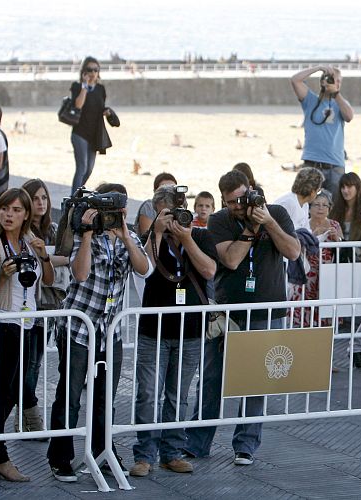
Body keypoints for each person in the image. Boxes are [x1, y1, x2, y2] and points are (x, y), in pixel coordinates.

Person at [184, 170, 299, 467]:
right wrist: (251, 227)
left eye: (241, 199)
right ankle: (197, 442)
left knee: (256, 381)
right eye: (231, 201)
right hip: (228, 311)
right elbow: (232, 260)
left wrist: (268, 222)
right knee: (212, 379)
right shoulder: (220, 220)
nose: (237, 205)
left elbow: (293, 251)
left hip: (267, 310)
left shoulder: (276, 213)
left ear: (251, 190)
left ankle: (246, 445)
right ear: (223, 200)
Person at [46, 183, 151, 482]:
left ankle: (103, 450)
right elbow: (80, 274)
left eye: (120, 210)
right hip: (79, 327)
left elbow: (144, 269)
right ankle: (60, 456)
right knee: (70, 395)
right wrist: (89, 232)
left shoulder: (128, 237)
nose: (115, 216)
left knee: (105, 397)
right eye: (110, 211)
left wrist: (126, 237)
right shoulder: (84, 235)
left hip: (110, 330)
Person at [129, 186, 217, 477]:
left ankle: (172, 453)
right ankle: (144, 455)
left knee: (178, 395)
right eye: (164, 214)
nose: (171, 219)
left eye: (175, 212)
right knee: (148, 394)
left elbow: (209, 271)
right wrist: (156, 233)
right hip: (153, 330)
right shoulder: (150, 238)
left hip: (190, 330)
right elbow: (145, 269)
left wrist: (187, 239)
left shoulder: (200, 236)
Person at [0, 188, 55, 482]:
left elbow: (48, 281)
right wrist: (1, 274)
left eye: (16, 210)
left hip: (25, 322)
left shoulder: (29, 241)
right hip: (2, 322)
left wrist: (44, 256)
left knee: (12, 390)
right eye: (4, 209)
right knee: (2, 390)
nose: (8, 215)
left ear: (26, 215)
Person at [18, 178, 71, 434]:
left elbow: (68, 256)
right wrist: (49, 258)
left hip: (50, 304)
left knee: (34, 363)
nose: (41, 203)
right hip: (26, 303)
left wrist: (46, 257)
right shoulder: (22, 230)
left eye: (44, 198)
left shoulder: (53, 229)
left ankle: (25, 418)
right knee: (25, 365)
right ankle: (31, 415)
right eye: (35, 198)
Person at [290, 66, 354, 197]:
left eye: (339, 81)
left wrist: (336, 94)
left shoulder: (341, 103)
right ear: (323, 81)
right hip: (311, 163)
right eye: (333, 80)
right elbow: (295, 80)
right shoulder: (310, 100)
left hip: (334, 165)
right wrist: (318, 68)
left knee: (333, 205)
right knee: (305, 203)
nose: (336, 84)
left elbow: (349, 117)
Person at [289, 191, 343, 327]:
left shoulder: (335, 225)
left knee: (326, 297)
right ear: (310, 207)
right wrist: (313, 235)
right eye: (317, 204)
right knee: (305, 298)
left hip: (328, 270)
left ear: (329, 208)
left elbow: (344, 248)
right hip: (308, 269)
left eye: (325, 205)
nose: (321, 208)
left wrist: (336, 238)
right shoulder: (304, 224)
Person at [69, 57, 113, 195]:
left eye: (95, 70)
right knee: (82, 167)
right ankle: (73, 199)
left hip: (95, 134)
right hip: (79, 133)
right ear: (84, 71)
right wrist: (85, 86)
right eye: (89, 69)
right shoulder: (77, 87)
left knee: (89, 169)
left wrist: (107, 112)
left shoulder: (101, 89)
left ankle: (76, 195)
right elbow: (78, 105)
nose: (93, 73)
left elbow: (100, 106)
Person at [328, 172, 361, 263]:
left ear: (357, 187)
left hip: (359, 260)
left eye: (349, 186)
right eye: (343, 187)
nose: (345, 191)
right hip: (338, 258)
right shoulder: (335, 210)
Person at [273, 166, 324, 230]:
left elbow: (306, 230)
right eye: (318, 191)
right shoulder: (288, 203)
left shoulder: (305, 204)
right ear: (312, 192)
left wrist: (322, 234)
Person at [135, 172, 177, 238]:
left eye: (172, 188)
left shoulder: (179, 206)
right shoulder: (149, 206)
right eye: (164, 189)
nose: (169, 192)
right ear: (155, 191)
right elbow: (146, 237)